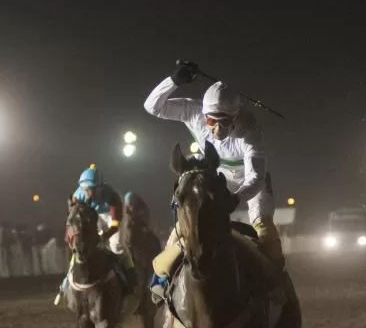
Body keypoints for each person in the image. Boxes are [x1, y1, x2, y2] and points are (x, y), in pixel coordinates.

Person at [143, 60, 282, 302]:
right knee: (187, 221)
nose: (216, 127)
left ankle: (276, 285)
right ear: (203, 115)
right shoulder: (194, 111)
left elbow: (256, 178)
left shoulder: (250, 134)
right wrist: (174, 81)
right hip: (214, 174)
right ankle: (162, 278)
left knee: (265, 230)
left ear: (236, 116)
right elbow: (152, 107)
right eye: (210, 121)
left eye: (224, 121)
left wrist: (235, 197)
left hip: (249, 183)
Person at [54, 164, 135, 305]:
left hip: (112, 216)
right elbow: (71, 221)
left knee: (116, 246)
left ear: (100, 188)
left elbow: (115, 225)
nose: (87, 193)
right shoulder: (77, 197)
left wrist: (103, 237)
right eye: (85, 189)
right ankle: (68, 280)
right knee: (82, 247)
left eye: (91, 189)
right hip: (94, 216)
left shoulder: (113, 197)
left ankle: (131, 276)